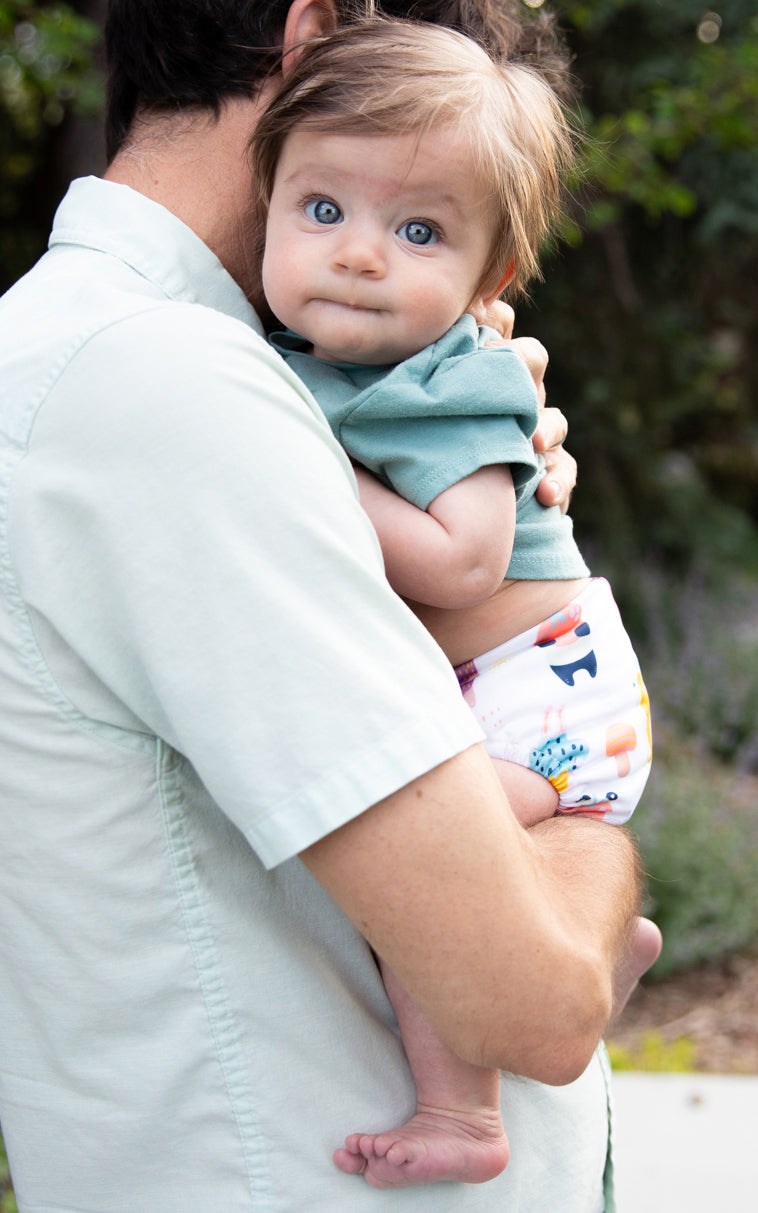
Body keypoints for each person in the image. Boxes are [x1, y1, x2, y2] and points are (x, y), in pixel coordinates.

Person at [0, 1, 646, 1210]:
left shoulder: (121, 355)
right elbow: (539, 997)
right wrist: (590, 852)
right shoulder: (173, 385)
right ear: (319, 39)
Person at [255, 18, 656, 1190]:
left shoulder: (455, 373)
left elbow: (464, 558)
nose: (361, 254)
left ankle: (462, 1108)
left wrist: (305, 477)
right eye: (320, 210)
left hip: (548, 697)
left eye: (417, 230)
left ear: (487, 282)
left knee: (430, 898)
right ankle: (599, 954)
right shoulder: (308, 357)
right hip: (513, 687)